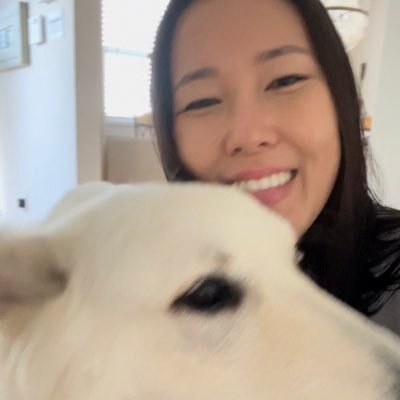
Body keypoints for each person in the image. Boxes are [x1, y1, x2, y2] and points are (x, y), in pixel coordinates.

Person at [150, 0, 400, 332]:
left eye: (285, 81)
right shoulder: (150, 291)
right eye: (203, 100)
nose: (248, 135)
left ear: (341, 99)